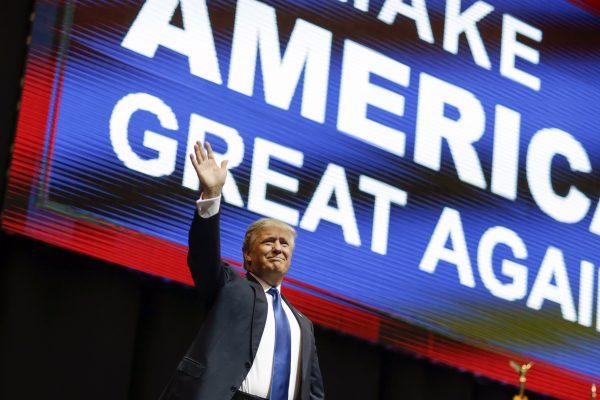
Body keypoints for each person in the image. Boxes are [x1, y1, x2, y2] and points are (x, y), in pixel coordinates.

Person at [159, 141, 324, 400]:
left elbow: (313, 392)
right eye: (269, 241)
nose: (278, 248)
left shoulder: (303, 324)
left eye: (284, 244)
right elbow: (203, 255)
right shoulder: (229, 286)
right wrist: (212, 194)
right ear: (248, 254)